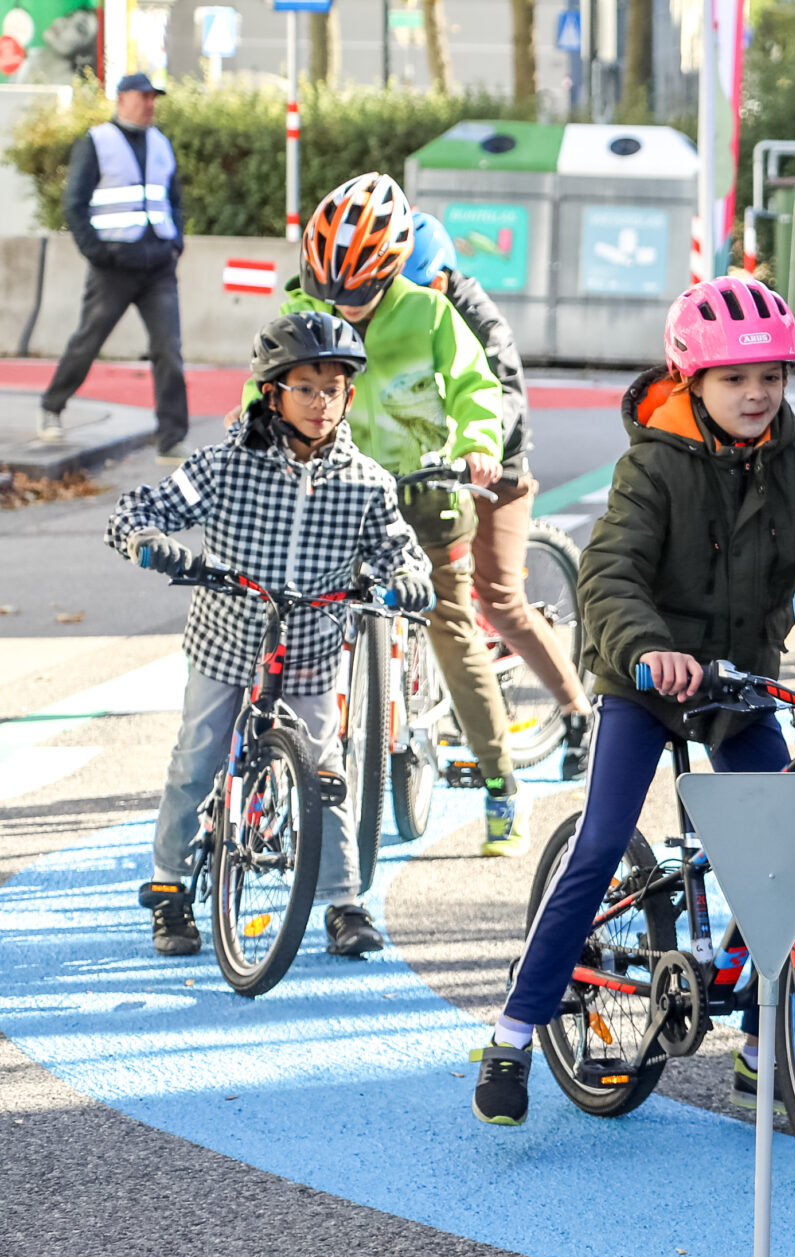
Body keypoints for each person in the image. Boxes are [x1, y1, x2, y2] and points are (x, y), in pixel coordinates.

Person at [470, 277, 795, 1127]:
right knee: (599, 844)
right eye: (736, 379)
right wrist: (649, 650)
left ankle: (764, 1056)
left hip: (736, 686)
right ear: (692, 381)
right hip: (645, 682)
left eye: (771, 376)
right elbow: (611, 571)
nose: (757, 393)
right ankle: (512, 1032)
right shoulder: (652, 463)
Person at [106, 312, 435, 959]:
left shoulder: (364, 482)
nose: (321, 402)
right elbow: (141, 508)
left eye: (334, 387)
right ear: (272, 393)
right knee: (196, 759)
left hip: (311, 651)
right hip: (226, 644)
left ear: (349, 395)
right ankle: (169, 887)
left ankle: (345, 903)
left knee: (325, 768)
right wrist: (147, 541)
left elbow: (403, 553)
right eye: (306, 387)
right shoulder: (229, 463)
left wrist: (409, 580)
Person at [250, 173, 523, 855]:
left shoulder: (431, 317)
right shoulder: (298, 305)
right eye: (327, 291)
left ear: (394, 270)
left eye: (360, 294)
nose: (341, 308)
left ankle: (501, 789)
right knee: (283, 621)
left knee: (452, 629)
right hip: (336, 498)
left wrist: (479, 444)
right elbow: (264, 388)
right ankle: (267, 781)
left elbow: (475, 386)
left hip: (426, 499)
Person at [403, 212, 596, 781]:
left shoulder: (479, 316)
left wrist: (477, 448)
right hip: (416, 467)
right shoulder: (394, 315)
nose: (414, 299)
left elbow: (506, 395)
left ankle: (578, 711)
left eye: (424, 286)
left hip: (491, 470)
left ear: (444, 275)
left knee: (498, 599)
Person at [39, 73, 189, 463]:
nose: (150, 104)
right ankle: (52, 406)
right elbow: (74, 202)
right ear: (122, 99)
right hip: (114, 267)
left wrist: (176, 242)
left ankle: (171, 438)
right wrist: (96, 252)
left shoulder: (161, 143)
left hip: (157, 266)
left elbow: (173, 199)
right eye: (143, 97)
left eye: (154, 98)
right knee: (88, 340)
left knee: (168, 349)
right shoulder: (97, 141)